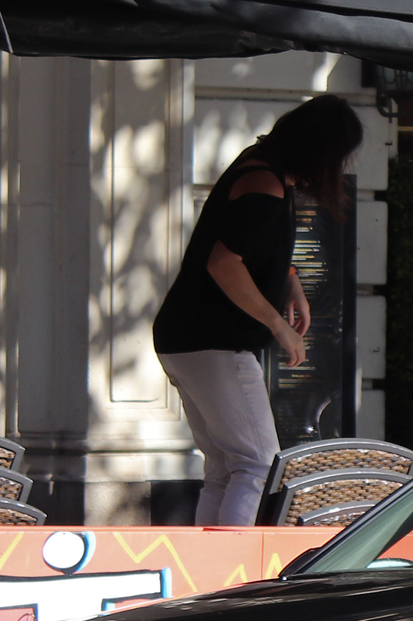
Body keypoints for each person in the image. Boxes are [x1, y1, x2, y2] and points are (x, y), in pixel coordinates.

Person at [153, 95, 362, 525]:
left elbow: (248, 244)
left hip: (188, 337)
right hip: (215, 340)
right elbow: (224, 262)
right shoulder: (265, 184)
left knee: (227, 466)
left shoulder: (262, 168)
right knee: (257, 463)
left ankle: (212, 569)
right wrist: (277, 325)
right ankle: (231, 575)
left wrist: (290, 280)